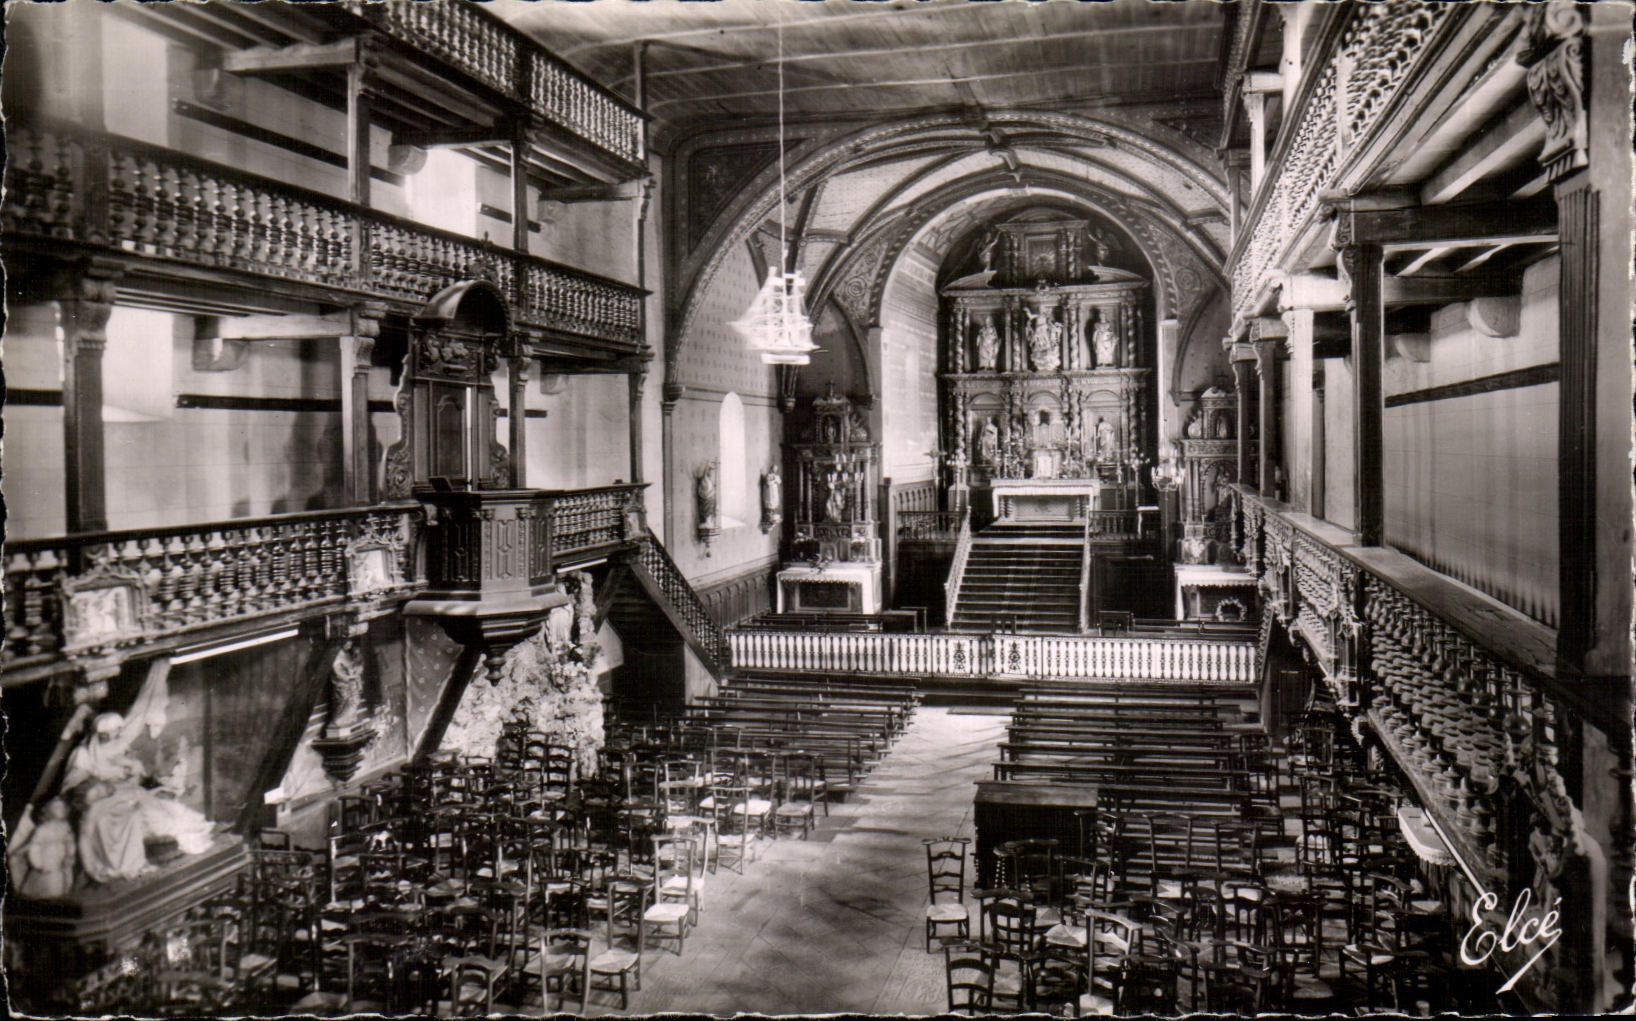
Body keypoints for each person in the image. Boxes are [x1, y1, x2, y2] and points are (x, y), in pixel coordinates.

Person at [62, 712, 217, 884]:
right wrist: (100, 784)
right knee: (123, 816)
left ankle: (169, 837)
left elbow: (137, 773)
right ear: (102, 733)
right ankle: (122, 863)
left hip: (127, 790)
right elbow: (75, 786)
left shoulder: (121, 745)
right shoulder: (84, 754)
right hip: (102, 797)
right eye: (113, 731)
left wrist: (132, 771)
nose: (117, 734)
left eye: (118, 730)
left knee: (158, 810)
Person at [8, 798, 77, 899]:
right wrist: (38, 863)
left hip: (57, 864)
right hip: (44, 861)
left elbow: (70, 843)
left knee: (56, 883)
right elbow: (34, 846)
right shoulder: (43, 829)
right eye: (56, 808)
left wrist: (70, 854)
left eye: (61, 808)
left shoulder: (66, 828)